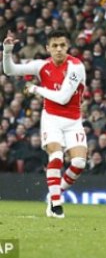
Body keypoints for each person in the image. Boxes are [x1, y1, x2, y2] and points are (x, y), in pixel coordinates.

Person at [3, 29, 88, 219]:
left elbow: (64, 98)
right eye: (55, 46)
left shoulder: (76, 66)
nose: (59, 49)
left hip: (73, 120)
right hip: (51, 118)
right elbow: (10, 70)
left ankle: (54, 194)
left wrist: (36, 89)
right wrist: (7, 51)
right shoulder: (42, 66)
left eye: (63, 45)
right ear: (48, 48)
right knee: (56, 156)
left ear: (68, 47)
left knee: (79, 163)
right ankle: (56, 205)